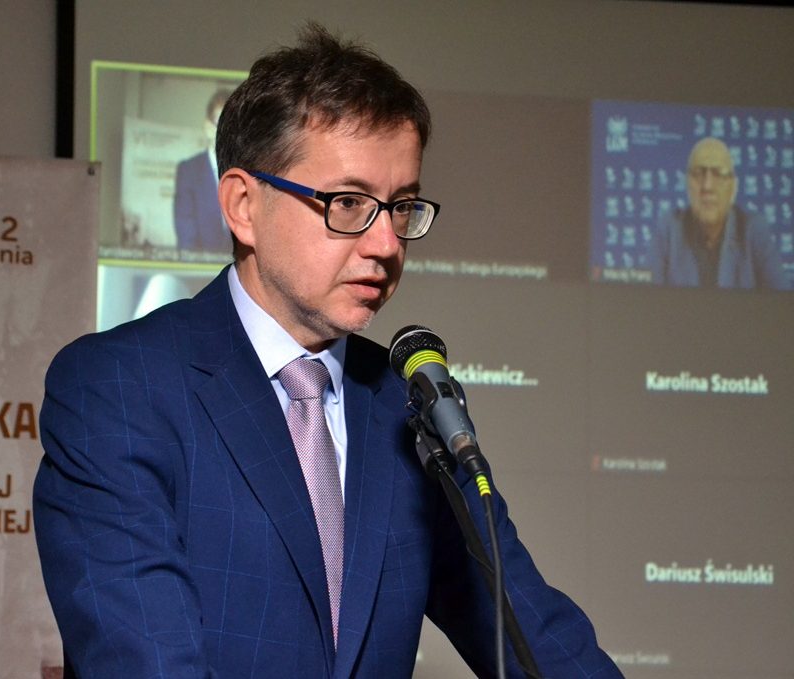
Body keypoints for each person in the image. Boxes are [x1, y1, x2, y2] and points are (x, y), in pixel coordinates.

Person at [34, 24, 620, 678]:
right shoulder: (118, 388)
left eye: (401, 207)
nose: (386, 244)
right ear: (243, 206)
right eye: (348, 203)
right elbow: (145, 659)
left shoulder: (408, 409)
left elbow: (534, 633)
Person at [647, 137, 788, 289]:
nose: (707, 186)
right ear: (687, 183)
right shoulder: (669, 229)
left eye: (718, 174)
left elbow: (781, 299)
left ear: (733, 187)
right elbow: (648, 297)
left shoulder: (753, 229)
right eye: (698, 174)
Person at [173, 88, 233, 252]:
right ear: (208, 126)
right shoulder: (189, 172)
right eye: (220, 124)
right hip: (201, 267)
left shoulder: (249, 173)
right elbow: (186, 240)